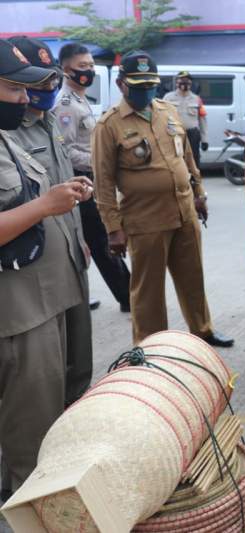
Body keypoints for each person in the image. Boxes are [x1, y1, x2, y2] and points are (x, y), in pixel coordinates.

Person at [0, 38, 92, 500]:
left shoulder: (38, 123)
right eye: (15, 89)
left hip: (55, 286)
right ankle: (31, 507)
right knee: (30, 429)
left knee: (63, 401)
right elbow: (33, 206)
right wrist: (43, 206)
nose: (25, 99)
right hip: (19, 305)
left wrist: (70, 227)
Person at [92, 50, 233, 348]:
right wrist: (113, 228)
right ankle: (152, 347)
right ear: (121, 85)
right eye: (139, 86)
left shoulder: (168, 110)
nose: (146, 92)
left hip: (184, 211)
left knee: (193, 278)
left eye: (150, 85)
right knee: (148, 290)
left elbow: (187, 157)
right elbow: (103, 181)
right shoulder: (109, 125)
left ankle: (203, 331)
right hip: (145, 219)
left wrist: (199, 194)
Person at [55, 42, 132, 314]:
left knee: (97, 239)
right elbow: (64, 149)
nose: (88, 71)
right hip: (81, 181)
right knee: (101, 239)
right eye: (82, 67)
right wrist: (99, 161)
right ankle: (127, 294)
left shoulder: (80, 98)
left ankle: (122, 292)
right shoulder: (66, 105)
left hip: (92, 179)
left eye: (90, 65)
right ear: (66, 70)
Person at [163, 71, 208, 171]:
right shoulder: (167, 98)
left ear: (191, 83)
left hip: (192, 135)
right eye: (182, 80)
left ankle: (194, 182)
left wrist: (204, 140)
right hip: (174, 135)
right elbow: (162, 118)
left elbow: (202, 120)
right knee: (176, 161)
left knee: (194, 161)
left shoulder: (197, 99)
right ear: (177, 82)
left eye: (187, 81)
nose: (184, 83)